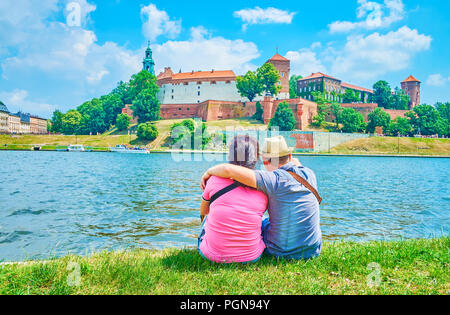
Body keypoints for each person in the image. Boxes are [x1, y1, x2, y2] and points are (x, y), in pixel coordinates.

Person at [201, 135, 322, 260]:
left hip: (281, 252)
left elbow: (228, 170)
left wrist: (208, 172)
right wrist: (293, 161)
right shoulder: (309, 174)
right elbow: (296, 164)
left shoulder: (271, 179)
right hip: (312, 249)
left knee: (259, 221)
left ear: (264, 160)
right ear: (290, 156)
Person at [198, 135, 268, 264]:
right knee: (261, 219)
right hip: (251, 257)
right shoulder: (265, 185)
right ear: (256, 157)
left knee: (208, 216)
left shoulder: (214, 180)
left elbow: (203, 212)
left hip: (211, 256)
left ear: (231, 156)